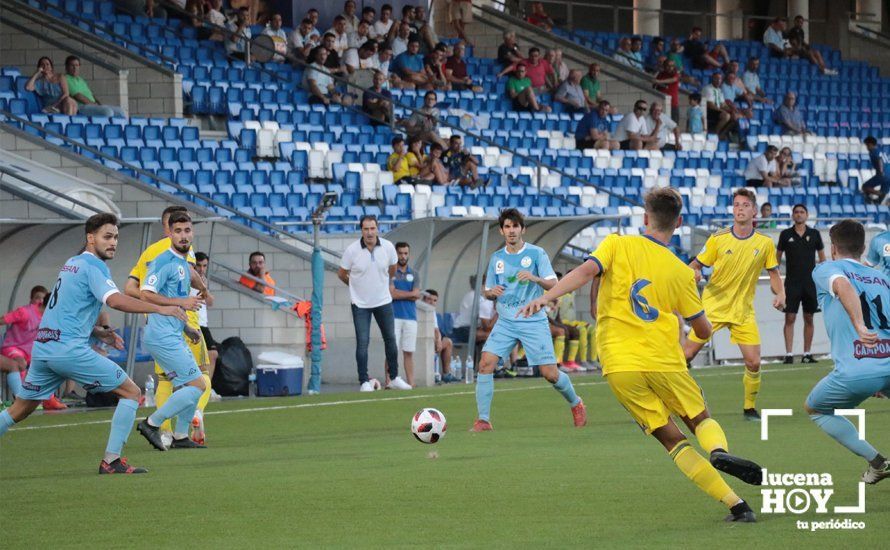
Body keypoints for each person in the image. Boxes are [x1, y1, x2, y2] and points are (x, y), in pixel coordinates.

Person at [519, 187, 761, 523]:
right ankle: (719, 452)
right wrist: (691, 328)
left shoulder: (617, 244)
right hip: (665, 360)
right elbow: (703, 329)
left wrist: (547, 298)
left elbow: (584, 272)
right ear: (678, 222)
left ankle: (737, 505)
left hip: (620, 365)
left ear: (645, 218)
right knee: (700, 419)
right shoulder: (680, 271)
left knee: (671, 440)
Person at [0, 213, 189, 474]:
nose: (113, 243)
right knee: (132, 393)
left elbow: (66, 311)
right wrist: (160, 308)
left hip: (44, 348)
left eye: (116, 237)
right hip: (68, 351)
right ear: (91, 238)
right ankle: (112, 461)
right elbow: (114, 300)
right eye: (107, 237)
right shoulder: (94, 267)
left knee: (20, 409)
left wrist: (98, 332)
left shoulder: (71, 264)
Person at [469, 209, 586, 432]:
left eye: (515, 226)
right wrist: (491, 292)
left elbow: (554, 285)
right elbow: (487, 291)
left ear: (523, 229)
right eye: (507, 226)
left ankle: (576, 403)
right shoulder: (497, 259)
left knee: (550, 374)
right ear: (502, 231)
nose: (511, 230)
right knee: (485, 364)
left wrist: (534, 278)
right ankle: (483, 420)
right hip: (505, 322)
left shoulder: (536, 254)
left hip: (532, 320)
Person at [684, 189, 786, 421]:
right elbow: (695, 265)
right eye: (736, 205)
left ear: (754, 211)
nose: (740, 209)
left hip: (743, 311)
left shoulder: (765, 243)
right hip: (713, 307)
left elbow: (773, 273)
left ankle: (749, 409)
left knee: (754, 362)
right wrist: (695, 272)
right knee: (686, 356)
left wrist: (780, 293)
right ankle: (665, 399)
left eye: (745, 205)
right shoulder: (718, 239)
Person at [805, 219, 890, 484]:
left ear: (833, 248)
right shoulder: (882, 277)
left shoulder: (828, 268)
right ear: (864, 247)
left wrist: (859, 326)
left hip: (858, 369)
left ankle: (878, 462)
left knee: (816, 408)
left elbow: (842, 287)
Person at [127, 206, 214, 448]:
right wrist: (182, 302)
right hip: (161, 336)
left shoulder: (184, 262)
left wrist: (187, 328)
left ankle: (181, 436)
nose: (183, 235)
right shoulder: (163, 260)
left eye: (187, 230)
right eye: (178, 231)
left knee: (191, 384)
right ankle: (152, 423)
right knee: (198, 384)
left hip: (174, 332)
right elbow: (145, 294)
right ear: (170, 234)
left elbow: (175, 302)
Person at [338, 216, 411, 392]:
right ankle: (364, 381)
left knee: (391, 340)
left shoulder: (387, 247)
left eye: (372, 228)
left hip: (383, 301)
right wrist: (355, 287)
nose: (369, 232)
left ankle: (394, 378)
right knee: (363, 342)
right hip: (360, 304)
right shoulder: (351, 250)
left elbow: (392, 269)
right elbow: (342, 274)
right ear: (361, 230)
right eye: (366, 229)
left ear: (377, 229)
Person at [1, 285, 68, 410]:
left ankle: (49, 400)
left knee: (50, 364)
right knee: (20, 363)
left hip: (31, 351)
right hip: (13, 347)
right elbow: (3, 320)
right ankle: (21, 401)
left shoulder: (50, 318)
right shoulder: (25, 312)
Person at [777, 204, 825, 365]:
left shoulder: (815, 234)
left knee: (809, 317)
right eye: (796, 212)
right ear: (792, 215)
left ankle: (807, 353)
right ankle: (789, 354)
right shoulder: (785, 235)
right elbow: (775, 261)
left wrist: (822, 280)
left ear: (807, 215)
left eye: (802, 212)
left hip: (810, 283)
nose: (799, 215)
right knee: (790, 317)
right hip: (792, 282)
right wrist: (776, 283)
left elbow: (822, 259)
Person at [389, 242, 421, 387]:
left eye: (405, 253)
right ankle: (389, 382)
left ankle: (411, 383)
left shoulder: (414, 273)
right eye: (400, 253)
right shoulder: (390, 272)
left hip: (410, 317)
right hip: (393, 316)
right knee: (391, 351)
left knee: (409, 351)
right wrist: (410, 294)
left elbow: (417, 294)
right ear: (396, 254)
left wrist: (399, 293)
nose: (403, 256)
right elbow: (391, 294)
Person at [422, 290, 458, 383]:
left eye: (434, 300)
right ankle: (432, 375)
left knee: (448, 342)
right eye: (429, 299)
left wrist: (438, 340)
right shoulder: (418, 309)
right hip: (421, 342)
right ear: (423, 299)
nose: (432, 302)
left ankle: (446, 374)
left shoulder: (432, 311)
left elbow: (436, 329)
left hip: (432, 341)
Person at [193, 252, 219, 382]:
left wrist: (204, 289)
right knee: (199, 359)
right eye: (198, 265)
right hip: (191, 323)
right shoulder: (188, 278)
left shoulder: (203, 280)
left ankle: (206, 388)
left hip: (202, 324)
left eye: (204, 266)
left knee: (212, 355)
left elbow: (210, 302)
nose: (201, 269)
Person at [452, 274, 495, 346]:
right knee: (491, 335)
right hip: (462, 329)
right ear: (482, 286)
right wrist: (498, 314)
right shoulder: (475, 297)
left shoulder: (484, 299)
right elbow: (487, 327)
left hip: (473, 328)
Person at [701, 72, 733, 140]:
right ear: (712, 79)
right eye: (716, 79)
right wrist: (723, 111)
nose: (718, 80)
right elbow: (710, 105)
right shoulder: (708, 89)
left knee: (734, 116)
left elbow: (723, 104)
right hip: (708, 111)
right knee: (726, 116)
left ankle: (722, 134)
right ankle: (715, 134)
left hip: (717, 110)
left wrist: (731, 110)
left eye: (720, 79)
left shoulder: (719, 90)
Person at [862, 136, 890, 205]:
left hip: (883, 174)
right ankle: (881, 198)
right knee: (881, 199)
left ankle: (881, 195)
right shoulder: (881, 150)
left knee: (865, 187)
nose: (867, 148)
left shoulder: (873, 151)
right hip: (889, 174)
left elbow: (879, 159)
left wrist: (881, 171)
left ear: (871, 144)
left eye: (867, 145)